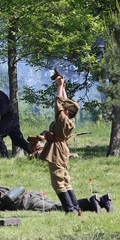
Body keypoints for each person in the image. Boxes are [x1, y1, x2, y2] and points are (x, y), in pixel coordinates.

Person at [34, 74, 81, 213]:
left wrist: (59, 87)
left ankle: (70, 208)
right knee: (65, 180)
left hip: (56, 150)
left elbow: (59, 103)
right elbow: (64, 102)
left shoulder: (62, 119)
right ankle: (75, 207)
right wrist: (63, 85)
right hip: (62, 149)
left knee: (58, 182)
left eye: (64, 109)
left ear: (66, 112)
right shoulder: (68, 119)